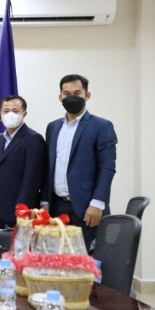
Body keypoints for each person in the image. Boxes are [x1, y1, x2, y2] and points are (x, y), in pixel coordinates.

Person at [41, 74, 117, 250]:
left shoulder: (101, 126)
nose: (71, 97)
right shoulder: (53, 127)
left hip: (87, 208)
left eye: (77, 93)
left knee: (86, 259)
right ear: (60, 97)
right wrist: (44, 201)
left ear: (87, 95)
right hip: (56, 207)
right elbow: (48, 167)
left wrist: (97, 203)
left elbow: (107, 167)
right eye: (67, 94)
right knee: (57, 258)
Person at [0, 96, 47, 228]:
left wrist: (22, 209)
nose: (10, 115)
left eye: (15, 111)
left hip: (21, 212)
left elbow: (31, 180)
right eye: (6, 111)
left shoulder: (33, 139)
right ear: (0, 114)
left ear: (24, 114)